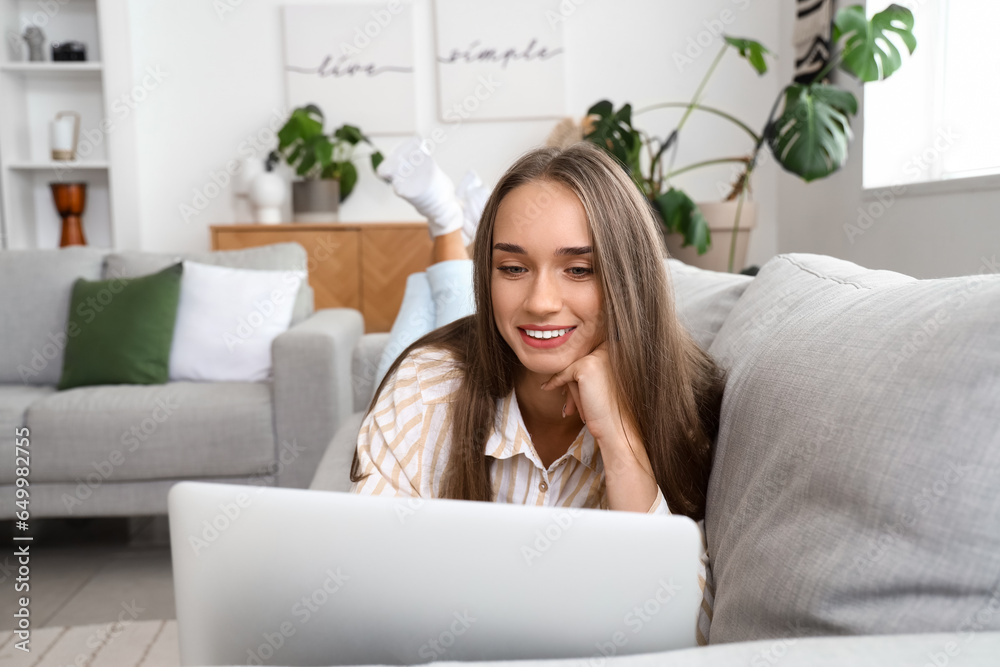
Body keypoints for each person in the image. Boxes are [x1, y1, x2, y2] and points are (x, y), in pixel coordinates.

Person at [352, 140, 726, 644]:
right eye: (512, 268)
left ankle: (446, 225)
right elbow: (359, 590)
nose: (541, 302)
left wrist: (620, 444)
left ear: (627, 277)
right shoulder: (428, 386)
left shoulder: (685, 405)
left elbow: (687, 638)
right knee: (426, 325)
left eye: (578, 269)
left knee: (434, 301)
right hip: (457, 355)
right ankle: (448, 230)